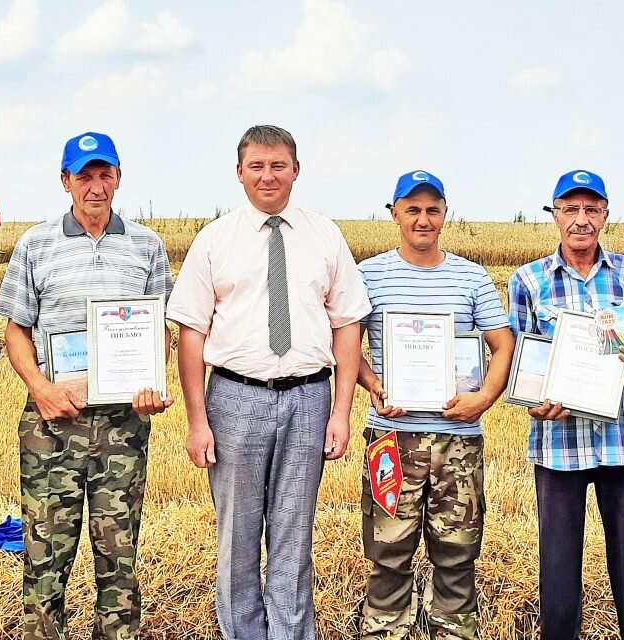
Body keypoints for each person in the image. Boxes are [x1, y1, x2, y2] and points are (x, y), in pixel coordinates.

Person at [167, 124, 371, 640]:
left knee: (293, 536)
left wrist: (341, 412)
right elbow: (190, 334)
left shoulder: (325, 235)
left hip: (309, 398)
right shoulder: (215, 239)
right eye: (256, 166)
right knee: (237, 538)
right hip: (235, 398)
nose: (268, 175)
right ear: (239, 173)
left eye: (278, 165)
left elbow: (348, 324)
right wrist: (197, 422)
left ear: (296, 170)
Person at [0, 132, 175, 639]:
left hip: (122, 423)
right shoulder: (36, 244)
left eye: (104, 174)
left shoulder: (146, 245)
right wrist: (41, 389)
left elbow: (158, 325)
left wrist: (150, 382)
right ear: (65, 181)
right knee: (46, 552)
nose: (95, 186)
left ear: (118, 178)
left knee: (118, 554)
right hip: (53, 420)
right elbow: (15, 329)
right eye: (84, 176)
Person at [507, 169, 624, 640]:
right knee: (557, 567)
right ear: (554, 214)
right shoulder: (529, 281)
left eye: (591, 209)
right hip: (558, 443)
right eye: (570, 209)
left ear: (605, 215)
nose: (581, 219)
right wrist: (535, 400)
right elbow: (522, 358)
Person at [355, 170, 515, 639]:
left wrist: (484, 397)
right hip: (391, 437)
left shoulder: (471, 277)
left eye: (432, 209)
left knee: (458, 551)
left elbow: (502, 344)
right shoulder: (369, 274)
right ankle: (384, 629)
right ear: (394, 213)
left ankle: (454, 630)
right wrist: (373, 383)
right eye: (412, 209)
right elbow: (341, 344)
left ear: (445, 213)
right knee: (387, 551)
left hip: (458, 439)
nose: (423, 219)